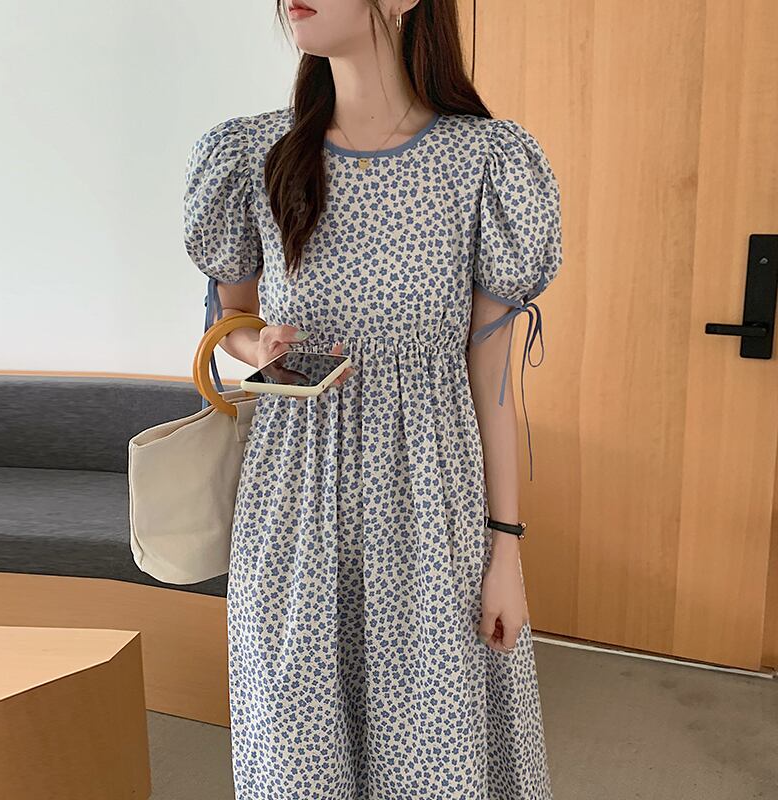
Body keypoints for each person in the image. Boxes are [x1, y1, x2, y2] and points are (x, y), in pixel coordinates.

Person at [183, 1, 563, 797]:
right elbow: (227, 331)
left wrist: (506, 551)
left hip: (430, 514)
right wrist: (259, 349)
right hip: (292, 511)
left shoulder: (483, 163)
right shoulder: (253, 154)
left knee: (430, 756)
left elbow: (494, 384)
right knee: (296, 760)